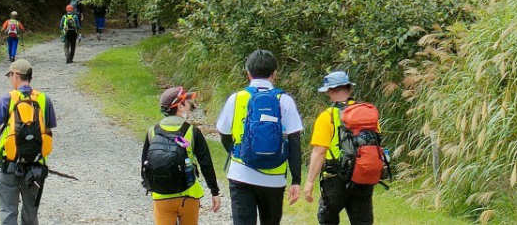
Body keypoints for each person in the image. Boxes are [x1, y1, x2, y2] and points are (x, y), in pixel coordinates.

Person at [217, 49, 304, 225]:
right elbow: (294, 142)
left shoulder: (236, 98)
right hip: (274, 178)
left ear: (248, 73)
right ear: (274, 74)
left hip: (241, 174)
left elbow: (224, 133)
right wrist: (296, 180)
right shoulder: (284, 100)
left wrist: (237, 153)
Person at [0, 58, 56, 225]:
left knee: (8, 210)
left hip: (9, 163)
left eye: (11, 75)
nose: (10, 79)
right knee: (31, 212)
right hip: (36, 165)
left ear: (16, 75)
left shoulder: (6, 99)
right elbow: (49, 130)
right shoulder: (44, 99)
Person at [142, 86, 222, 224]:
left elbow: (145, 164)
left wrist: (151, 186)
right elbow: (206, 164)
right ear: (180, 105)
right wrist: (214, 192)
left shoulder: (152, 132)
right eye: (187, 100)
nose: (191, 104)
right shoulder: (192, 132)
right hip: (189, 195)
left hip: (162, 196)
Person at [302, 71, 374, 224]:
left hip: (336, 179)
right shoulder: (367, 113)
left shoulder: (327, 116)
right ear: (349, 89)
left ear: (331, 91)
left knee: (327, 218)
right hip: (363, 175)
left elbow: (319, 152)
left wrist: (309, 182)